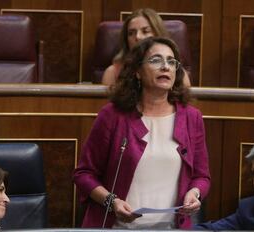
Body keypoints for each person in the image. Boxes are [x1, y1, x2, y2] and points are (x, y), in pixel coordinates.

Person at [74, 36, 210, 229]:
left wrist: (195, 193)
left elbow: (201, 176)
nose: (166, 67)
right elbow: (84, 174)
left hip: (171, 227)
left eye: (171, 62)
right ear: (137, 71)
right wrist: (111, 202)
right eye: (156, 60)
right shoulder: (112, 115)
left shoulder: (191, 117)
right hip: (118, 226)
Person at [101, 8, 191, 87]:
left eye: (145, 31)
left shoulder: (177, 72)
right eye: (131, 33)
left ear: (158, 34)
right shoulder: (113, 73)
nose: (137, 37)